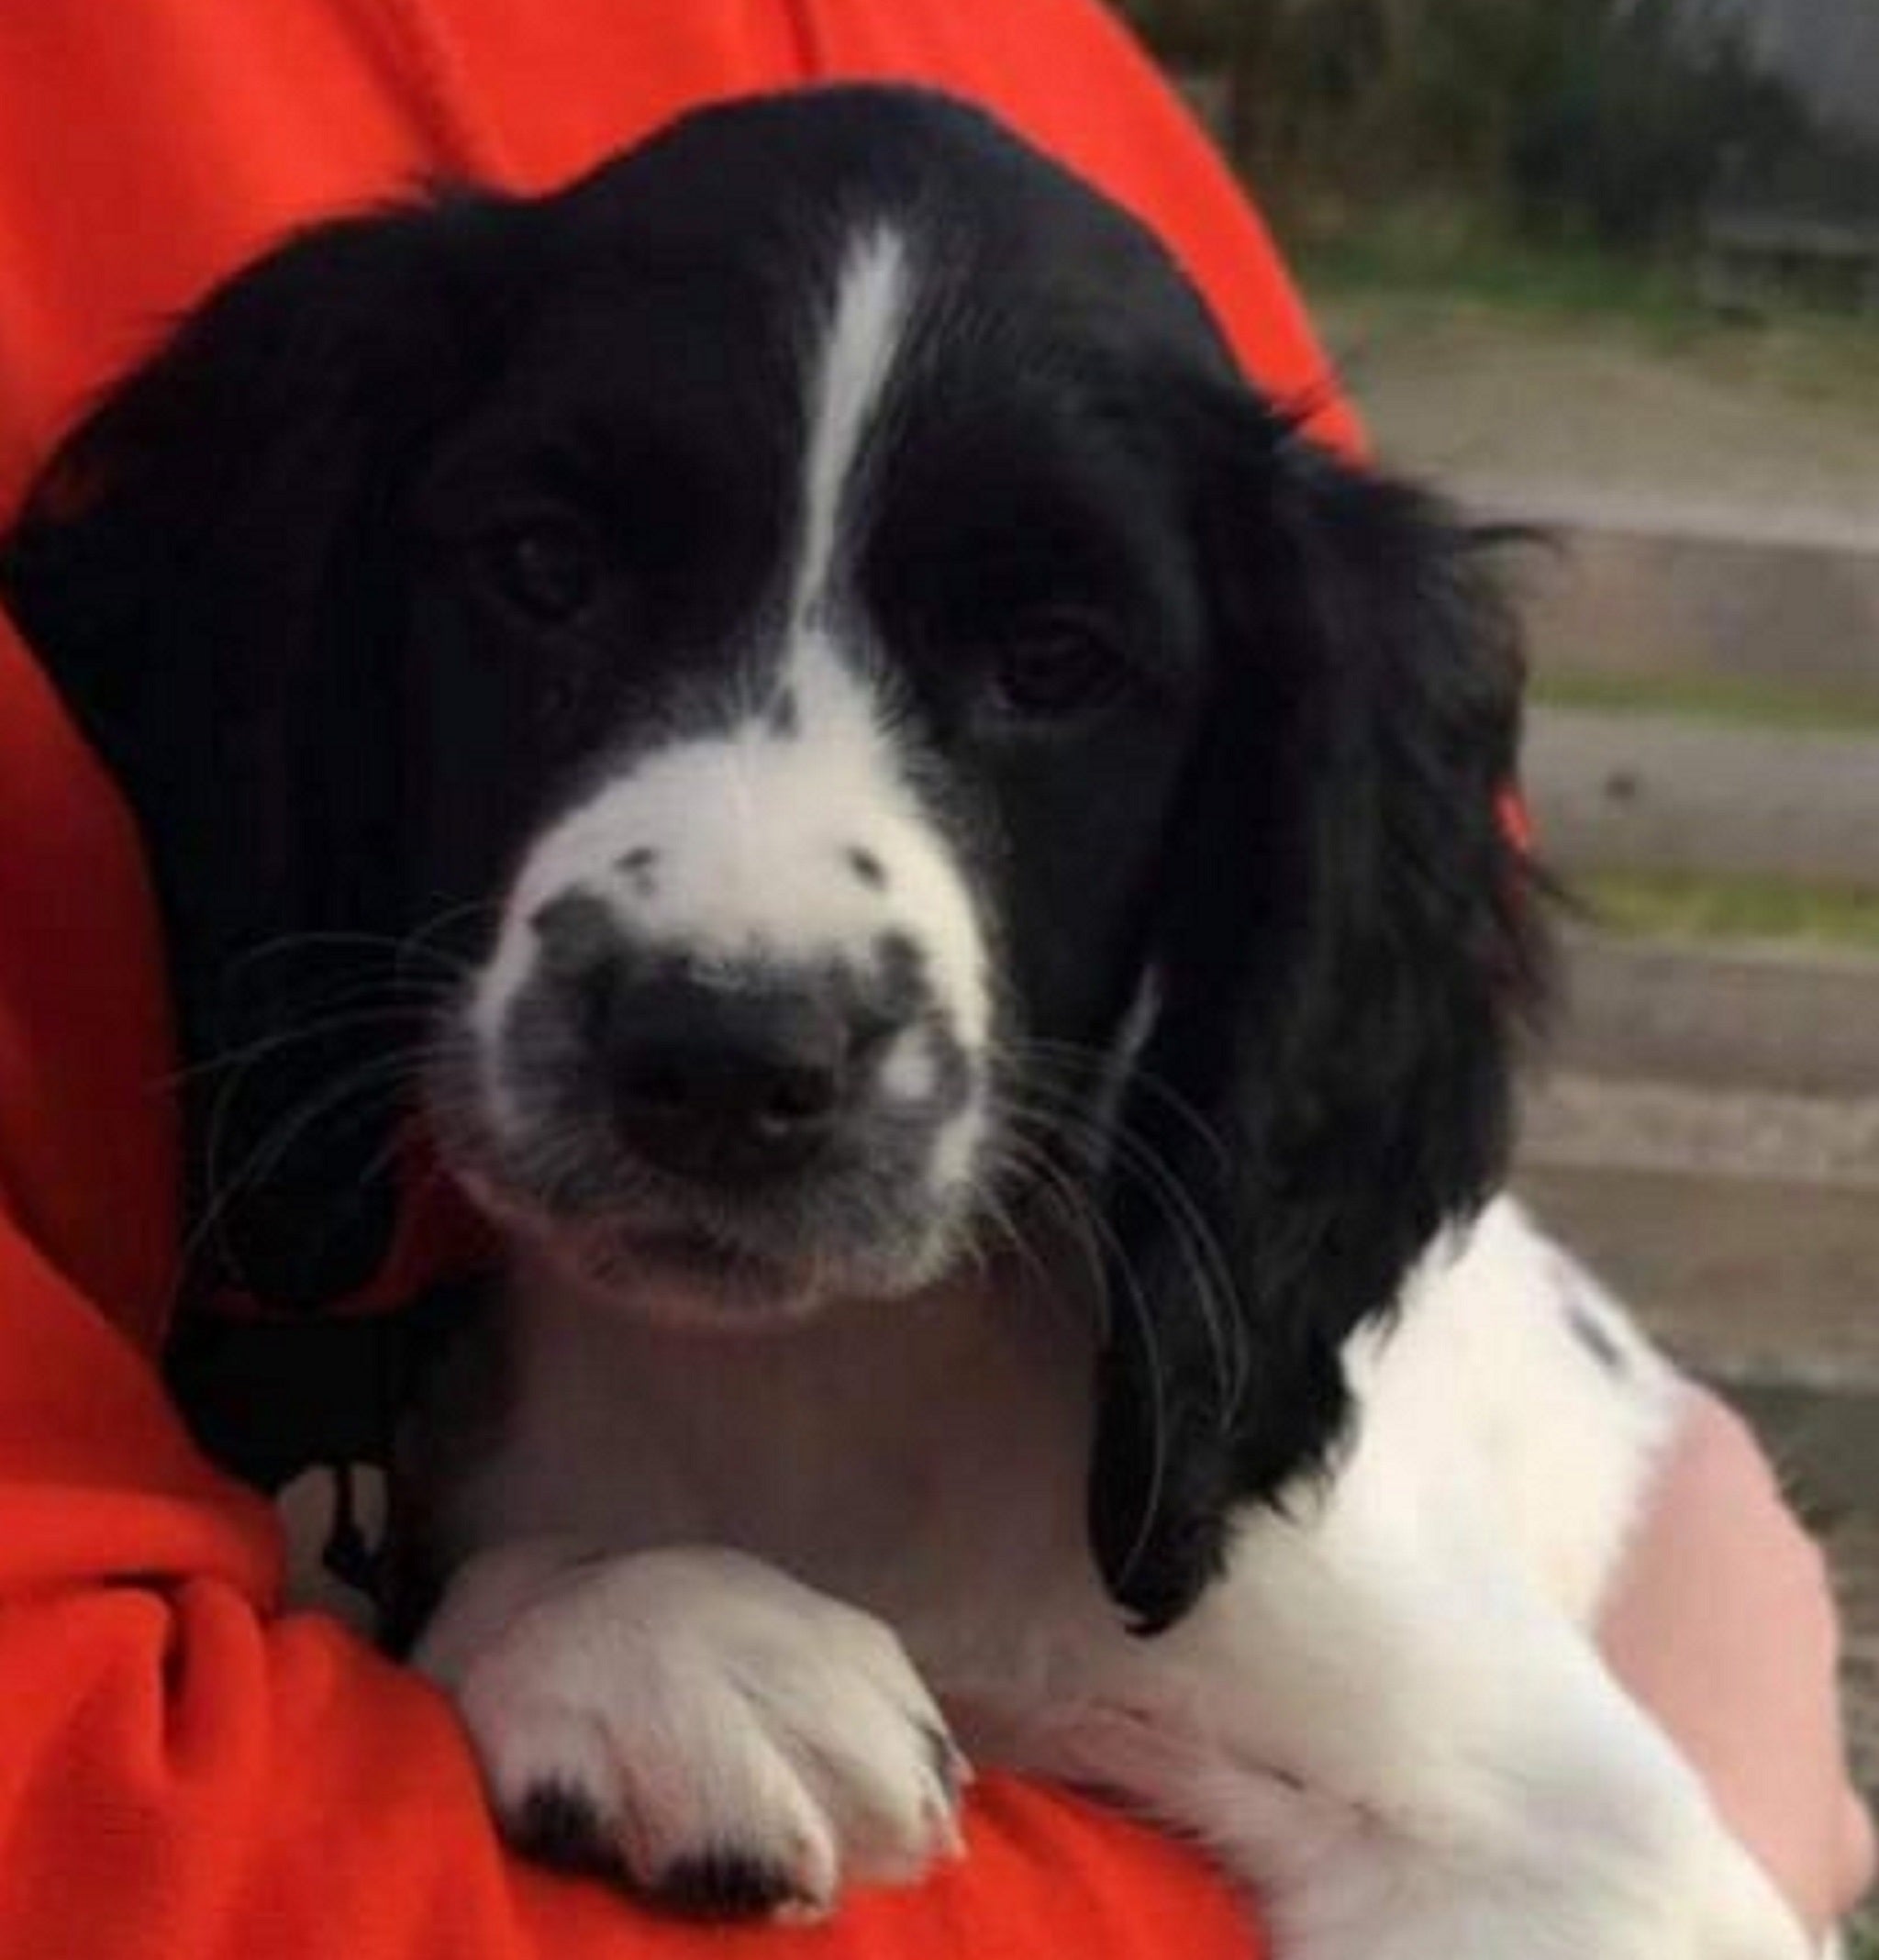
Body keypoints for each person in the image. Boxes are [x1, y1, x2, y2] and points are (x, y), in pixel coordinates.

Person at [0, 5, 1867, 1956]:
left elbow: (1620, 1896)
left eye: (1051, 667)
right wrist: (534, 1608)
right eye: (553, 577)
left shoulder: (1256, 1552)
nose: (739, 959)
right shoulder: (489, 1443)